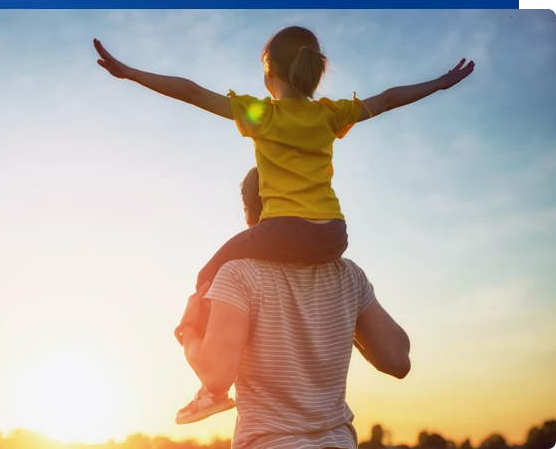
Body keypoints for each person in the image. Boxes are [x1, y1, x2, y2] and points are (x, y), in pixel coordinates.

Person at [93, 27, 474, 420]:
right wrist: (441, 83)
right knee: (255, 264)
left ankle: (213, 389)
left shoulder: (263, 114)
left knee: (209, 273)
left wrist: (133, 73)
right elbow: (390, 98)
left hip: (283, 231)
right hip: (332, 235)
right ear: (312, 72)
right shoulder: (330, 114)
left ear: (269, 74)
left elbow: (191, 92)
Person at [176, 165, 412, 449]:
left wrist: (187, 330)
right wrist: (345, 317)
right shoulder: (348, 275)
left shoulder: (237, 274)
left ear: (249, 211)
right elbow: (398, 359)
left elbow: (216, 377)